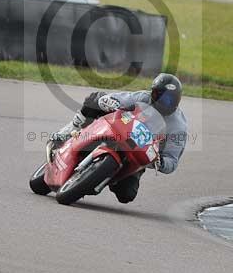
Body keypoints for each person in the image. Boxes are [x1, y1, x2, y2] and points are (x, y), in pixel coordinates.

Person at [50, 73, 188, 204]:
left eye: (169, 100)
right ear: (152, 92)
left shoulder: (179, 126)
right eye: (158, 95)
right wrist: (111, 102)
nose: (163, 102)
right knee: (94, 99)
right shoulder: (143, 97)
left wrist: (161, 162)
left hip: (138, 154)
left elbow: (172, 160)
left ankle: (107, 178)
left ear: (177, 101)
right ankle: (70, 130)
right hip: (119, 131)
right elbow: (120, 99)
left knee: (126, 194)